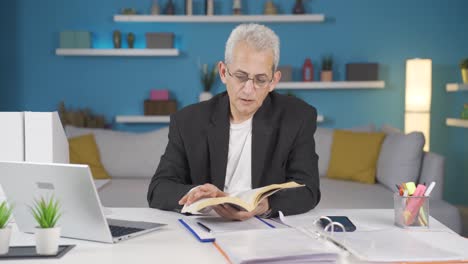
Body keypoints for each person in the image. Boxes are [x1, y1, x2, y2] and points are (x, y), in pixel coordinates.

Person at [147, 23, 320, 220]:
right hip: (207, 226)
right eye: (240, 76)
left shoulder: (298, 117)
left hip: (266, 229)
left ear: (273, 81)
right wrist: (199, 195)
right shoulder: (187, 121)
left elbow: (309, 189)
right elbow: (158, 189)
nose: (248, 89)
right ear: (223, 72)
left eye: (260, 79)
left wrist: (266, 205)